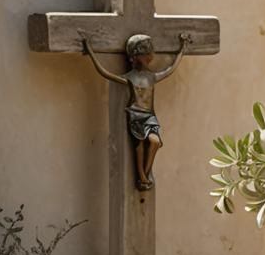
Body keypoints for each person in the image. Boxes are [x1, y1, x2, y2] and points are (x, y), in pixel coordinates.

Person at [80, 31, 190, 190]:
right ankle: (142, 176)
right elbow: (104, 72)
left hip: (150, 116)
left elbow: (171, 69)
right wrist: (90, 50)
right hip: (136, 115)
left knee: (155, 142)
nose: (151, 57)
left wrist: (183, 47)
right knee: (139, 145)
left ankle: (145, 173)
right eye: (147, 54)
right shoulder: (130, 78)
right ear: (137, 57)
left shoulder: (151, 77)